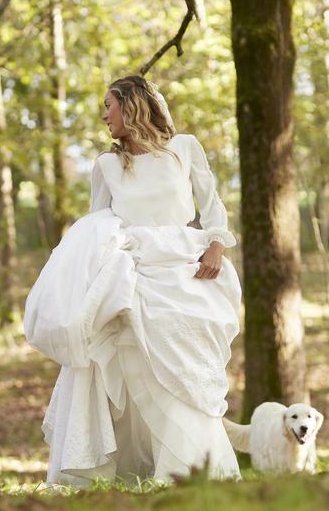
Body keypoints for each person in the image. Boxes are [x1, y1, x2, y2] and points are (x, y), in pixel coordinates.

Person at [24, 74, 242, 486]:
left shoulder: (184, 149)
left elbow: (212, 206)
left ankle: (191, 467)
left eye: (109, 105)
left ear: (131, 104)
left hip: (186, 268)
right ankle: (132, 468)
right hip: (134, 273)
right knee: (129, 359)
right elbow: (97, 226)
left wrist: (216, 245)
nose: (103, 115)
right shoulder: (107, 164)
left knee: (184, 368)